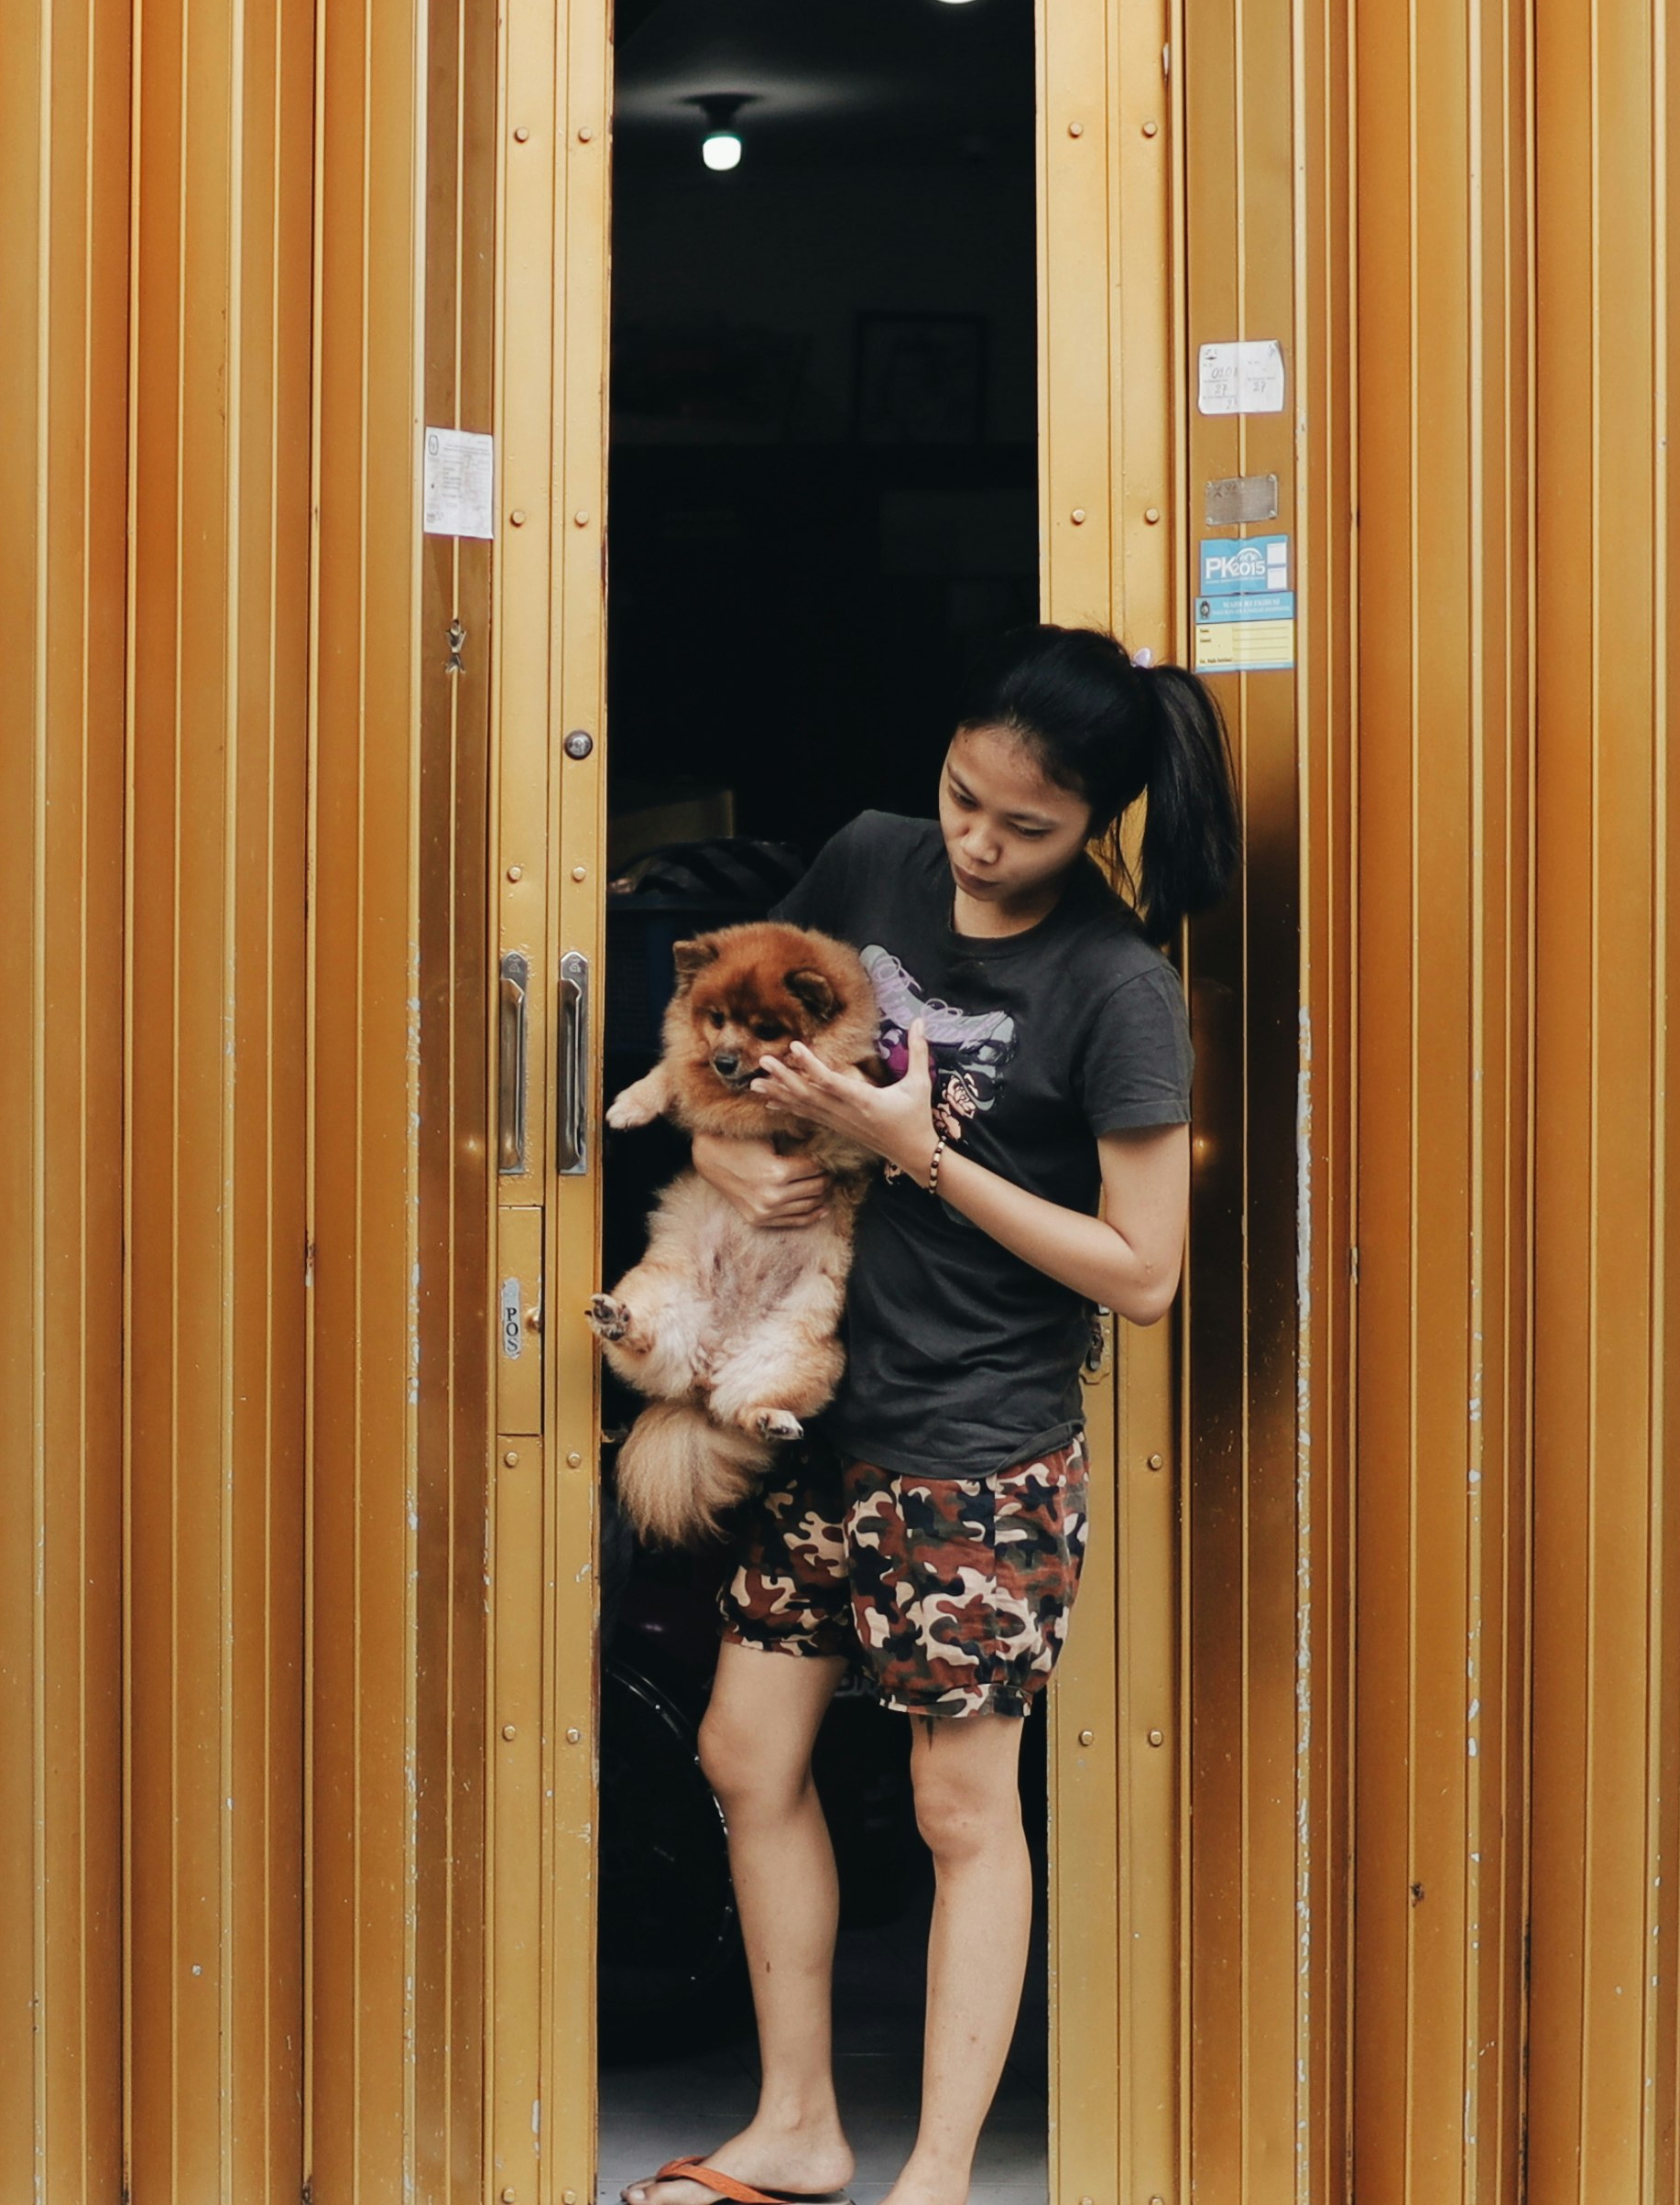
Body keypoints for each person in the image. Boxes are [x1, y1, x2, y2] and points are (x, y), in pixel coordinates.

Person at [622, 628, 1239, 2205]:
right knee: (747, 1754)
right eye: (964, 796)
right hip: (817, 1404)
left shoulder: (1113, 987)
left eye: (1024, 825)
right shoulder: (870, 863)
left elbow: (1145, 1272)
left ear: (1092, 820)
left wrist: (920, 1151)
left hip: (977, 1439)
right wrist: (753, 1154)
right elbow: (754, 1041)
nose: (975, 841)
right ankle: (800, 2126)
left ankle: (941, 2172)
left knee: (960, 1807)